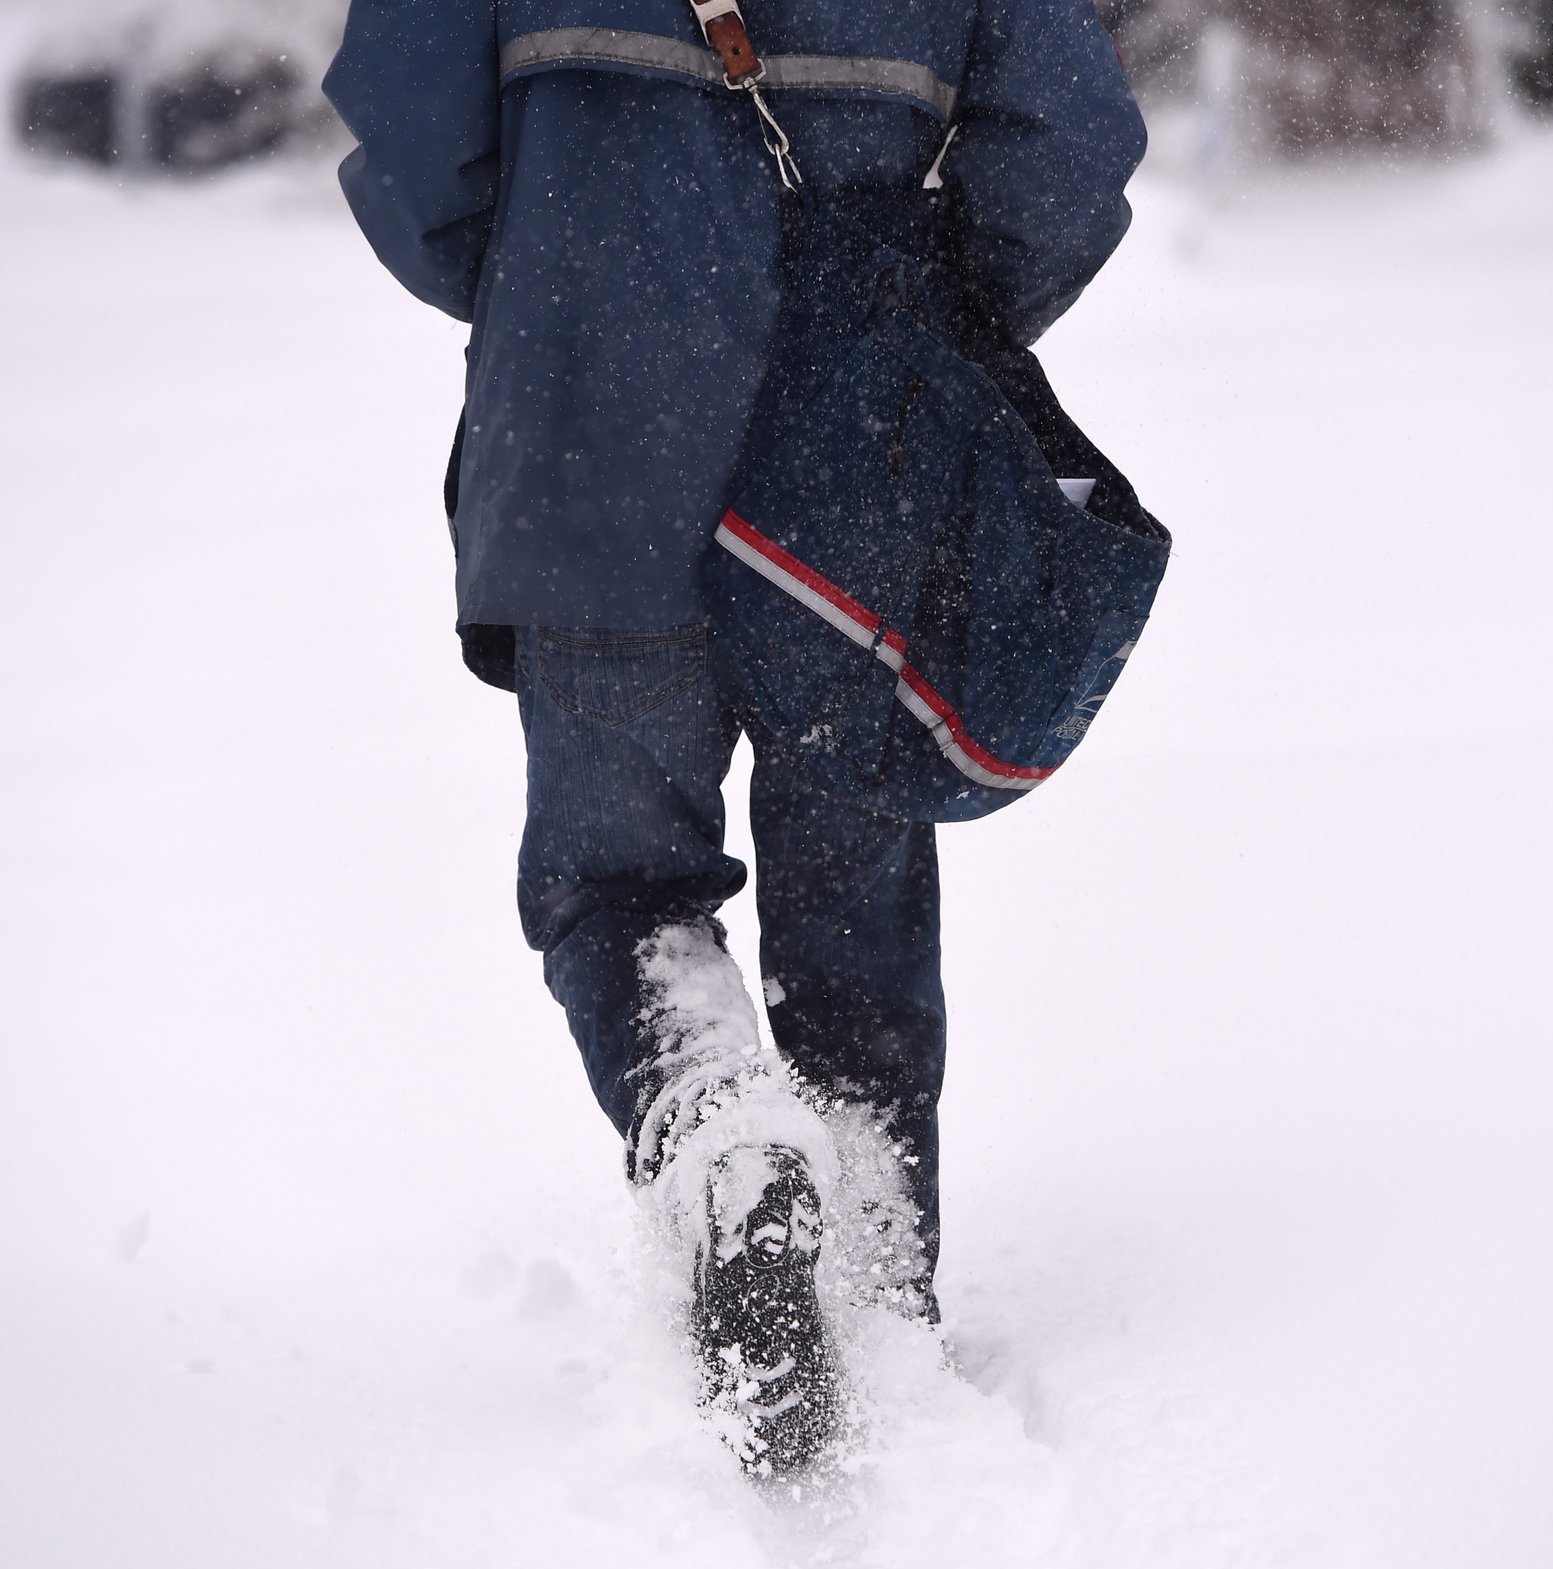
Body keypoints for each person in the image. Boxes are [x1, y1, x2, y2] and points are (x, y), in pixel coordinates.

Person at [323, 0, 1145, 1473]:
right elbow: (1068, 152)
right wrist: (904, 331)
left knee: (622, 883)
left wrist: (562, 290)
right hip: (853, 485)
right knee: (856, 917)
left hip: (588, 450)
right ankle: (878, 1292)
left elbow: (407, 149)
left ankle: (720, 1138)